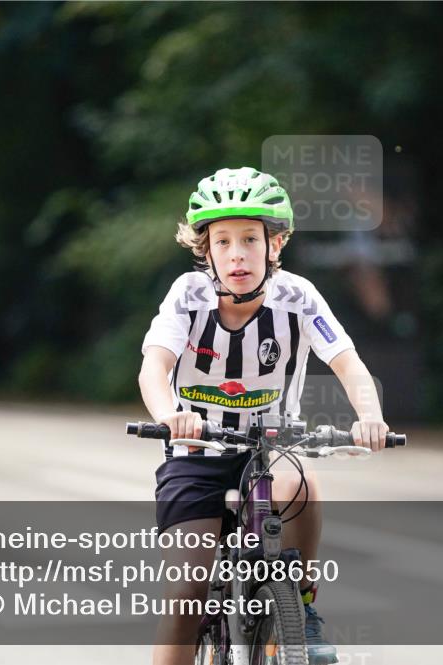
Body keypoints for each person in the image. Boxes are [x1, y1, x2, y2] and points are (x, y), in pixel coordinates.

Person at [140, 167, 389, 665]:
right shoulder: (187, 296)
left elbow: (347, 362)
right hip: (199, 451)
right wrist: (171, 415)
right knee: (187, 596)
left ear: (275, 245)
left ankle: (300, 599)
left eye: (251, 239)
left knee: (299, 480)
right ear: (204, 249)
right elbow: (154, 367)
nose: (237, 254)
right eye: (223, 241)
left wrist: (370, 415)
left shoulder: (297, 297)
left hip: (271, 445)